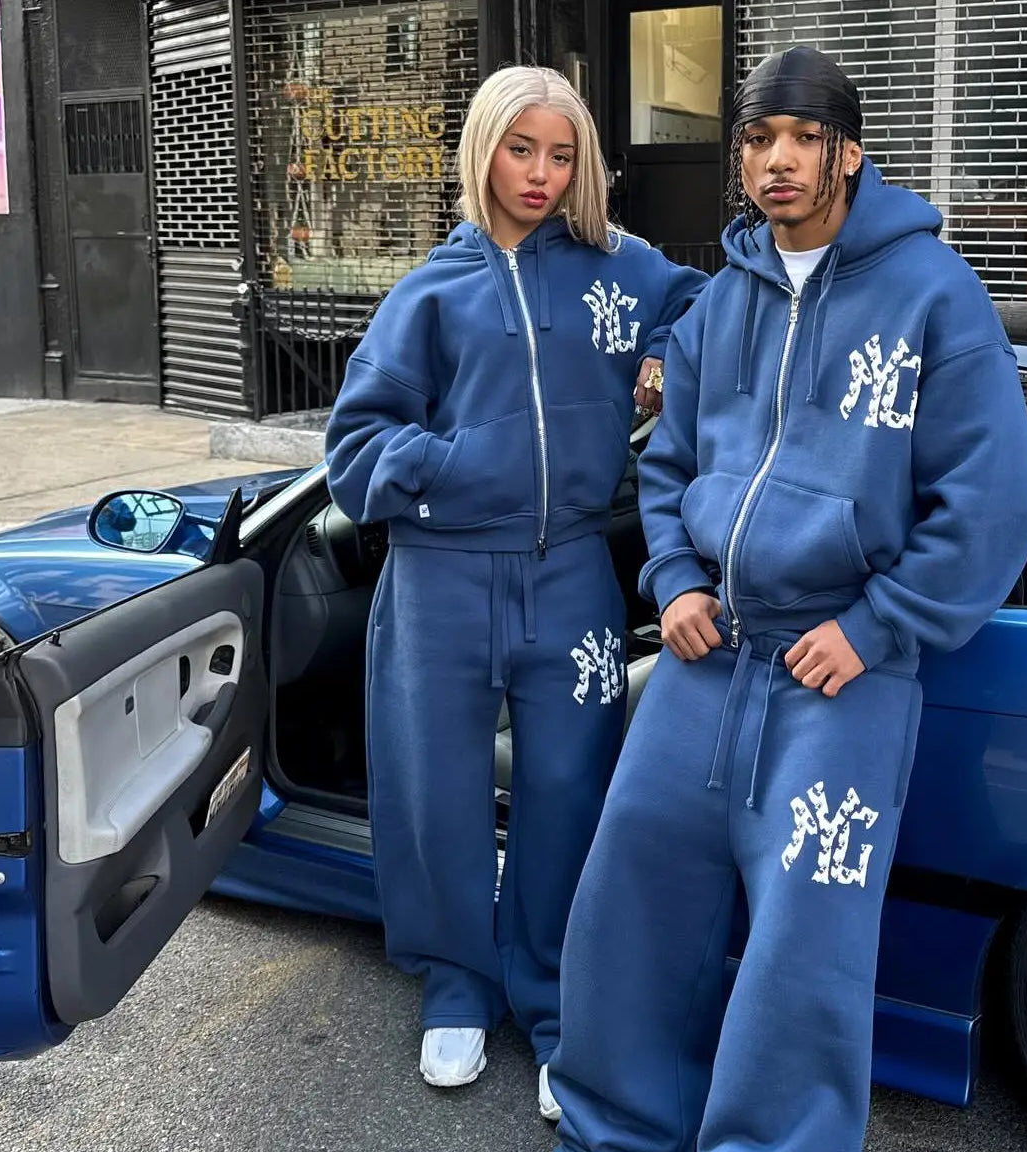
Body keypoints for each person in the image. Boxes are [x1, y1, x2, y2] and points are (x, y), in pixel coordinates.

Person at [548, 45, 1027, 1152]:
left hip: (840, 677)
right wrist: (674, 579)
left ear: (848, 154)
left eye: (803, 139)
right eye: (759, 139)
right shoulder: (722, 301)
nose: (778, 160)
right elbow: (668, 464)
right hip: (708, 655)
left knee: (805, 946)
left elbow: (995, 501)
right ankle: (614, 1123)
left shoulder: (935, 294)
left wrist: (879, 626)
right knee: (631, 892)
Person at [323, 65, 707, 1120]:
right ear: (483, 150)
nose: (541, 173)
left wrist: (663, 355)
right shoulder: (428, 293)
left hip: (571, 572)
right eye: (520, 149)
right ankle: (456, 982)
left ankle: (552, 1000)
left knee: (570, 791)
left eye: (562, 155)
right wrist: (460, 468)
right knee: (436, 789)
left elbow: (709, 308)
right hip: (440, 579)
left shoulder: (621, 268)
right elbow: (354, 450)